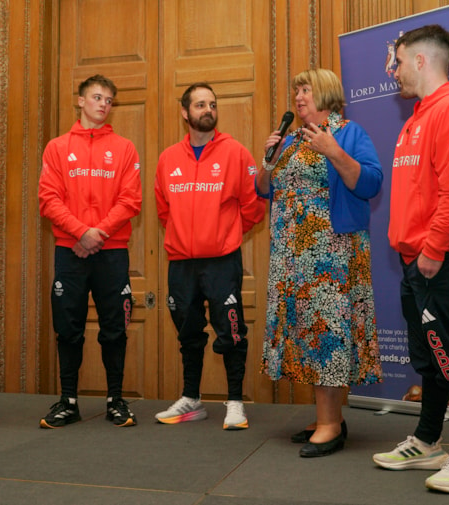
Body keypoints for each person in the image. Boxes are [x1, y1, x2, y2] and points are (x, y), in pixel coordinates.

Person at [372, 25, 449, 494]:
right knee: (430, 359)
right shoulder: (418, 117)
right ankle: (427, 441)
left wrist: (434, 248)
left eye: (398, 62)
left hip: (444, 257)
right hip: (416, 258)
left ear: (421, 60)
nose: (393, 71)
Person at [257, 69, 383, 457]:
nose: (298, 97)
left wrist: (334, 152)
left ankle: (331, 423)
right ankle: (324, 416)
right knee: (306, 335)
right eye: (296, 91)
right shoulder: (292, 139)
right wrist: (267, 160)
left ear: (326, 93)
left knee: (327, 333)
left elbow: (371, 183)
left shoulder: (348, 132)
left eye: (306, 90)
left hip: (332, 257)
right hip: (291, 258)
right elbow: (264, 190)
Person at [154, 82, 266, 430]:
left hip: (222, 261)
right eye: (200, 104)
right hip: (181, 263)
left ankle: (235, 402)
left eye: (213, 104)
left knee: (231, 331)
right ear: (185, 113)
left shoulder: (236, 153)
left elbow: (253, 207)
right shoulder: (168, 158)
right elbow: (163, 211)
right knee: (188, 333)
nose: (208, 110)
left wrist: (225, 234)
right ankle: (191, 399)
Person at [38, 74, 142, 429]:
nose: (103, 104)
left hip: (112, 253)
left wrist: (97, 235)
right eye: (97, 97)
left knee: (115, 328)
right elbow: (48, 199)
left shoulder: (126, 148)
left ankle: (116, 398)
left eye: (109, 100)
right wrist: (82, 233)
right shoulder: (56, 147)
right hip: (70, 251)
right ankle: (68, 400)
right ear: (80, 101)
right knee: (68, 328)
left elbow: (131, 200)